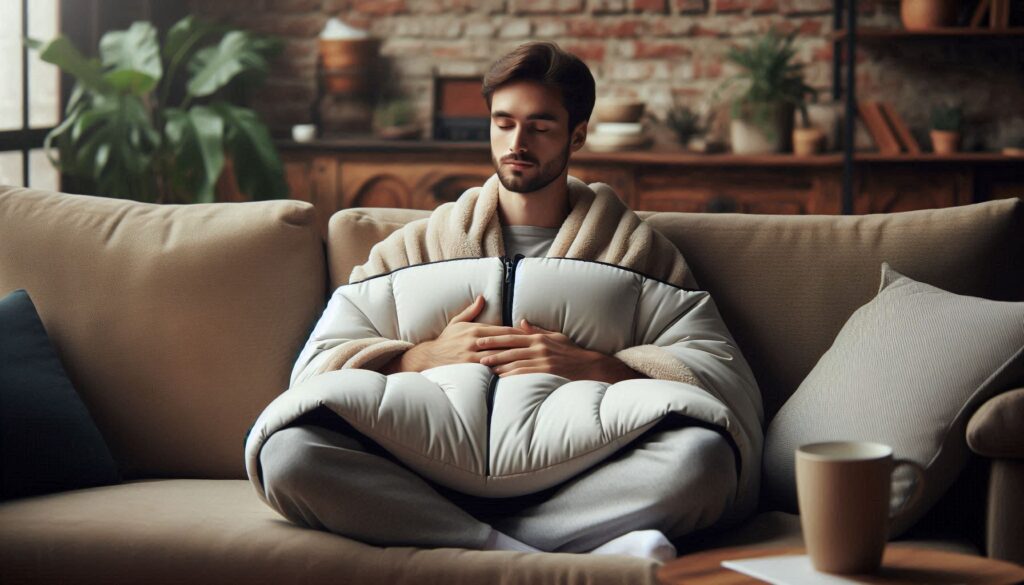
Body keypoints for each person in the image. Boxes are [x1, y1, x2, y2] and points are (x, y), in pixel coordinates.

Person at [254, 42, 760, 561]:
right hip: (421, 472)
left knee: (703, 462)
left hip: (584, 477)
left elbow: (719, 375)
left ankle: (471, 538)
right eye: (504, 123)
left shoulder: (634, 251)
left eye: (540, 126)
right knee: (289, 456)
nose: (518, 142)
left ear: (576, 135)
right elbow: (315, 368)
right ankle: (528, 546)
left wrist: (599, 366)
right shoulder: (416, 247)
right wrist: (418, 358)